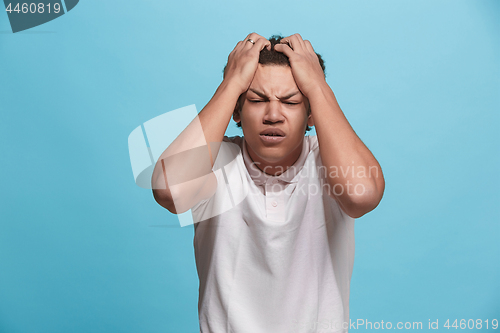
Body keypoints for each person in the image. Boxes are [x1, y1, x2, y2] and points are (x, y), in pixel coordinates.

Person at [151, 32, 385, 333]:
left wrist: (317, 85)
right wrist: (231, 84)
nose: (273, 115)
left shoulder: (330, 160)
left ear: (311, 112)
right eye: (257, 100)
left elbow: (362, 195)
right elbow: (171, 192)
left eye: (290, 102)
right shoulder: (214, 161)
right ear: (236, 109)